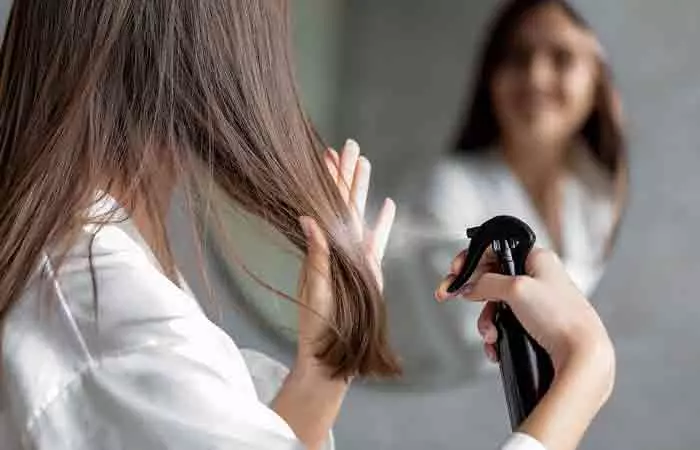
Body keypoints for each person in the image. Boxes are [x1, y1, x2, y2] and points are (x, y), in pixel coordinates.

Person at [0, 1, 614, 449]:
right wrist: (582, 373)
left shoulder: (110, 296)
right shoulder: (112, 330)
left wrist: (320, 378)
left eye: (562, 58)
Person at [383, 0, 625, 387]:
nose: (536, 76)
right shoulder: (446, 189)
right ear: (491, 76)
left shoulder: (598, 195)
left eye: (562, 57)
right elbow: (477, 343)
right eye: (517, 56)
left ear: (598, 80)